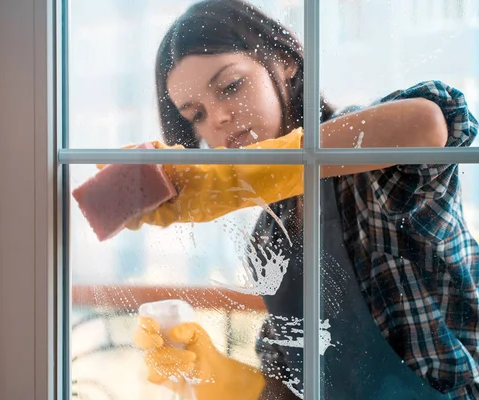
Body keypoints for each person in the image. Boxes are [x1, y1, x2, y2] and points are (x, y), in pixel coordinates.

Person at [128, 0, 479, 398]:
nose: (218, 119)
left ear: (284, 62)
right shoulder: (269, 239)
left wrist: (241, 177)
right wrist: (217, 376)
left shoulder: (369, 165)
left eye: (230, 86)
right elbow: (293, 388)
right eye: (195, 115)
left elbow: (432, 121)